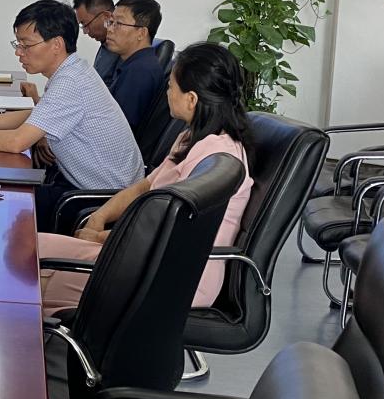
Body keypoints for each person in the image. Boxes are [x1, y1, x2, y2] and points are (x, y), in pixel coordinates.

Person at [36, 41, 254, 318]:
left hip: (173, 275)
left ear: (192, 99)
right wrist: (99, 218)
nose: (167, 93)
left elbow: (169, 231)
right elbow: (145, 186)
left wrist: (100, 237)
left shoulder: (214, 154)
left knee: (33, 278)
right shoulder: (193, 137)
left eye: (171, 87)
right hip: (147, 256)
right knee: (32, 248)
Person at [0, 0, 142, 220]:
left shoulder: (70, 82)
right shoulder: (73, 70)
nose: (19, 53)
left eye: (26, 45)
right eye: (18, 45)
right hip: (88, 187)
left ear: (56, 44)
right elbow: (39, 114)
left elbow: (17, 142)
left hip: (100, 201)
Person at [103, 0, 171, 153]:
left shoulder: (140, 72)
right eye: (110, 22)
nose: (110, 29)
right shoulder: (136, 64)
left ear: (141, 33)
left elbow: (118, 131)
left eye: (119, 23)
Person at [73, 0, 117, 81]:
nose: (85, 32)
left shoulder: (124, 51)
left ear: (106, 16)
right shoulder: (105, 45)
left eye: (86, 24)